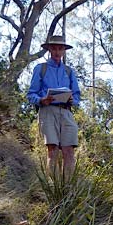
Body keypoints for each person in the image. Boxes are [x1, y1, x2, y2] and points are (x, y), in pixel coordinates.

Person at [27, 35, 80, 180]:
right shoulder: (40, 69)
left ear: (64, 50)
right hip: (48, 111)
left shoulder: (69, 72)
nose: (57, 52)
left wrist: (72, 100)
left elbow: (77, 96)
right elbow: (31, 94)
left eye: (60, 49)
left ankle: (69, 188)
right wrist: (41, 100)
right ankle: (53, 188)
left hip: (66, 111)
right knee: (52, 150)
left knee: (69, 150)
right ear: (49, 49)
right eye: (54, 48)